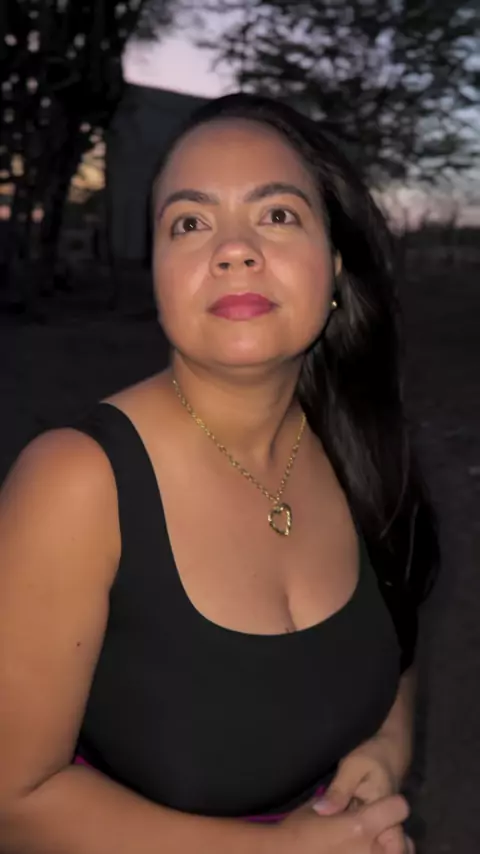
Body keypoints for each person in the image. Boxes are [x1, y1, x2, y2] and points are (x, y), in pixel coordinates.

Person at [0, 93, 438, 854]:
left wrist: (386, 748)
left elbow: (397, 638)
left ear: (335, 266)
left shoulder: (359, 446)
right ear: (158, 276)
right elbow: (13, 800)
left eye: (277, 214)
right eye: (190, 223)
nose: (234, 249)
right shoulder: (77, 483)